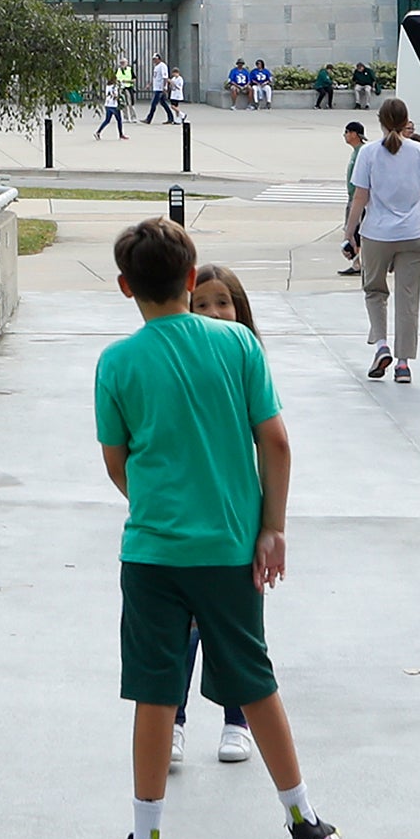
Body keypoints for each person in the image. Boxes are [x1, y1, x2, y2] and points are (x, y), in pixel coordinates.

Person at [93, 218, 337, 839]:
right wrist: (271, 526)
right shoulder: (237, 344)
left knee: (154, 690)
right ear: (191, 276)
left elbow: (116, 462)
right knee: (254, 681)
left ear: (125, 287)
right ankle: (304, 822)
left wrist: (153, 503)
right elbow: (276, 441)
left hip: (153, 554)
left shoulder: (117, 363)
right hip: (230, 549)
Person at [174, 264, 263, 763]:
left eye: (223, 303)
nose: (212, 312)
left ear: (240, 310)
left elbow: (272, 442)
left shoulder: (247, 359)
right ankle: (174, 721)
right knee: (184, 627)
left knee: (234, 629)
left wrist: (270, 524)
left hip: (236, 516)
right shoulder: (179, 365)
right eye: (201, 304)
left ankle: (237, 720)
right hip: (188, 515)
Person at [343, 100, 420, 382]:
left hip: (377, 233)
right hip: (414, 233)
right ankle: (403, 363)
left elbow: (360, 196)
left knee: (374, 290)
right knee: (408, 297)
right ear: (406, 120)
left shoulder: (369, 152)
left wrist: (349, 232)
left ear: (381, 121)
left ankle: (382, 345)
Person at [336, 119, 368, 274]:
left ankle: (358, 263)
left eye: (347, 132)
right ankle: (357, 262)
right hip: (352, 197)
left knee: (355, 230)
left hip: (358, 198)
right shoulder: (356, 152)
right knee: (354, 230)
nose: (345, 135)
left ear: (354, 134)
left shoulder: (362, 152)